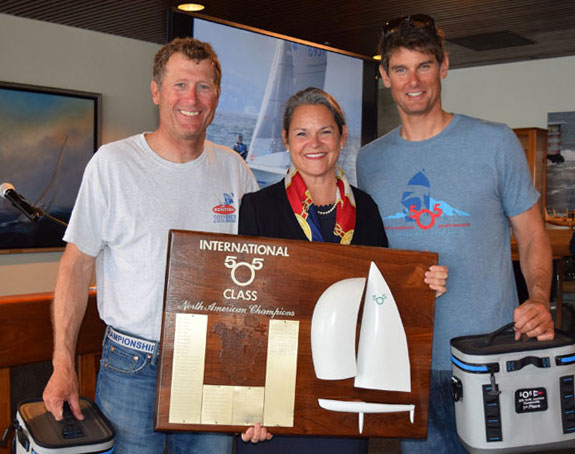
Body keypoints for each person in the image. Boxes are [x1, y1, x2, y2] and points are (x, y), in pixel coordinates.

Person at [42, 37, 258, 453]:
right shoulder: (113, 163)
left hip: (212, 363)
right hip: (132, 365)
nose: (191, 99)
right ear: (156, 91)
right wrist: (62, 363)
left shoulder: (236, 170)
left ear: (217, 95)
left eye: (204, 86)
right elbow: (75, 266)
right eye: (179, 85)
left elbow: (257, 277)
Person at [356, 15, 554, 453]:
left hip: (490, 356)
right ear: (384, 75)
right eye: (401, 69)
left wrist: (539, 298)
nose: (414, 81)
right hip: (412, 360)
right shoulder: (369, 162)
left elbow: (534, 234)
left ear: (444, 66)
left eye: (424, 66)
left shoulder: (495, 143)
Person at [237, 87, 449, 453]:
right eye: (301, 133)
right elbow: (245, 312)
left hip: (346, 388)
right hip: (278, 393)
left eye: (325, 131)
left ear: (342, 135)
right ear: (286, 139)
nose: (314, 143)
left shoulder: (365, 207)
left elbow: (383, 291)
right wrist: (248, 402)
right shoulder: (257, 207)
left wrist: (422, 285)